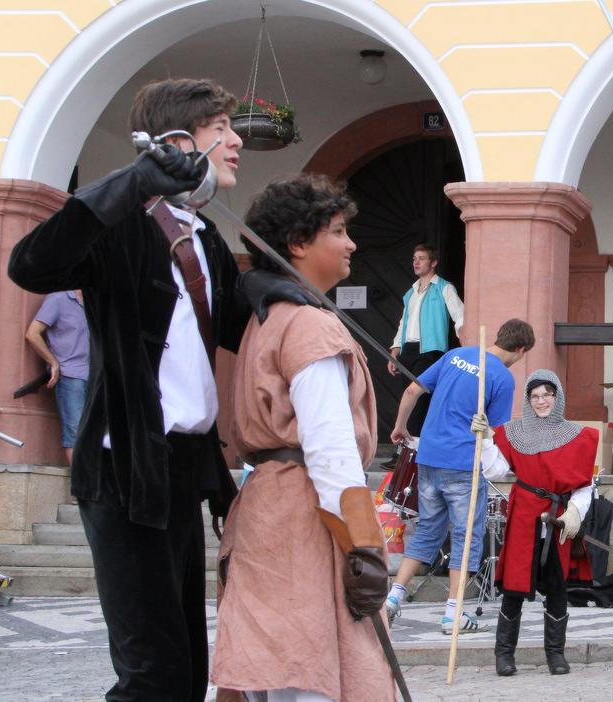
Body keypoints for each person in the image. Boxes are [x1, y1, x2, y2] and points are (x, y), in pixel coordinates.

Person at [6, 77, 264, 701]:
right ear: (177, 142)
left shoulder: (205, 238)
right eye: (221, 129)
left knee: (186, 669)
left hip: (183, 470)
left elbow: (240, 325)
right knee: (151, 674)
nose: (236, 142)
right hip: (123, 468)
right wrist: (130, 183)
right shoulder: (122, 227)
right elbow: (30, 265)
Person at [209, 175, 395, 702]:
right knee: (307, 670)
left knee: (274, 668)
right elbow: (331, 450)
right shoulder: (309, 325)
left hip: (269, 507)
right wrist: (363, 546)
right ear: (297, 242)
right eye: (337, 231)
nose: (351, 243)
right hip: (307, 513)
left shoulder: (268, 319)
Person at [384, 318, 535, 633]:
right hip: (463, 463)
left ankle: (393, 598)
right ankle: (453, 614)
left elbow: (412, 389)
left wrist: (400, 426)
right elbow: (493, 432)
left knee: (428, 530)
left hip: (429, 457)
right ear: (521, 350)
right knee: (467, 538)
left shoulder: (455, 355)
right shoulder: (502, 378)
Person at [473, 369, 596, 677]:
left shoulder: (578, 436)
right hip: (524, 513)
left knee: (556, 585)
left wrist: (575, 512)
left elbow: (585, 485)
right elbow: (495, 471)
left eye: (547, 395)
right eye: (535, 396)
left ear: (558, 397)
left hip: (558, 516)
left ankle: (556, 654)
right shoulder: (513, 432)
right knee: (514, 586)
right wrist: (486, 440)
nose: (541, 401)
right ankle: (504, 654)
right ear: (528, 401)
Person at [386, 244, 464, 441]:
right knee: (407, 398)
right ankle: (408, 447)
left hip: (431, 350)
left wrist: (465, 341)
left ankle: (413, 447)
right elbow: (404, 322)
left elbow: (460, 316)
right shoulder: (410, 293)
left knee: (419, 399)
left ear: (434, 262)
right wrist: (395, 349)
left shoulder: (445, 288)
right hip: (408, 350)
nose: (416, 262)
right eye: (414, 259)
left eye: (421, 258)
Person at [24, 290, 89, 464]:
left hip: (97, 377)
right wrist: (53, 362)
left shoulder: (97, 303)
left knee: (96, 432)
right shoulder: (59, 298)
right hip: (70, 375)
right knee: (75, 431)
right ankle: (81, 481)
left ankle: (95, 478)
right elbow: (33, 333)